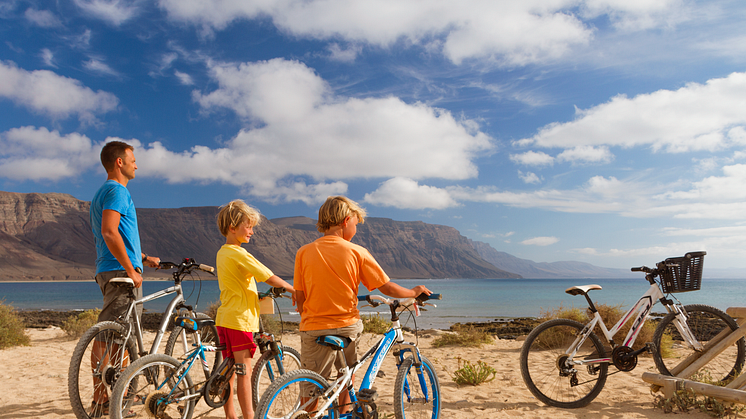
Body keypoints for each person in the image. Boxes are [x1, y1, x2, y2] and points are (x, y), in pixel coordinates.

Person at [294, 196, 432, 413]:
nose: (355, 229)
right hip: (346, 325)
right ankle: (346, 412)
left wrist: (308, 315)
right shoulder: (357, 251)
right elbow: (387, 288)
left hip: (313, 327)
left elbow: (300, 297)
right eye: (356, 224)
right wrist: (414, 292)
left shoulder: (303, 252)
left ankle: (306, 414)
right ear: (346, 220)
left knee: (310, 388)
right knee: (345, 376)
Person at [88, 140, 160, 415]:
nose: (136, 164)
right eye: (133, 159)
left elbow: (117, 236)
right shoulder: (117, 191)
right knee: (111, 336)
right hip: (120, 273)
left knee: (118, 336)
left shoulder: (102, 192)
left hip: (110, 268)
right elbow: (109, 232)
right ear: (119, 162)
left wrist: (143, 258)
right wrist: (131, 269)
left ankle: (116, 396)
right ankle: (105, 400)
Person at [215, 199, 295, 419]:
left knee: (229, 372)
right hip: (240, 320)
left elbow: (237, 284)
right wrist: (292, 289)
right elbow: (268, 276)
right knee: (244, 372)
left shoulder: (223, 253)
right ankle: (250, 417)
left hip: (225, 318)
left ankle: (231, 415)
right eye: (248, 226)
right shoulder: (240, 254)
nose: (251, 231)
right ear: (233, 227)